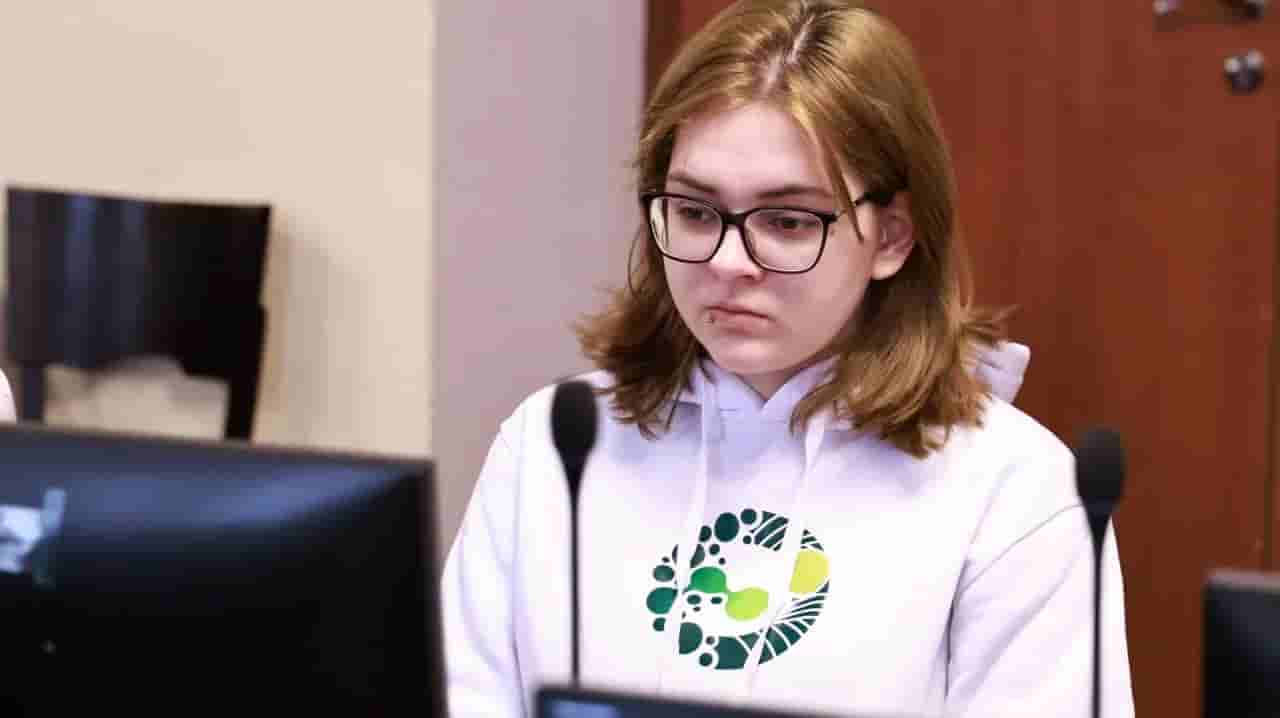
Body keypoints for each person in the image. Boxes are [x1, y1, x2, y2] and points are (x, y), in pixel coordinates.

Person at [441, 1, 1135, 716]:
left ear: (892, 237)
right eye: (695, 211)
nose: (729, 261)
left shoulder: (1014, 490)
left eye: (787, 221)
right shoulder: (554, 446)